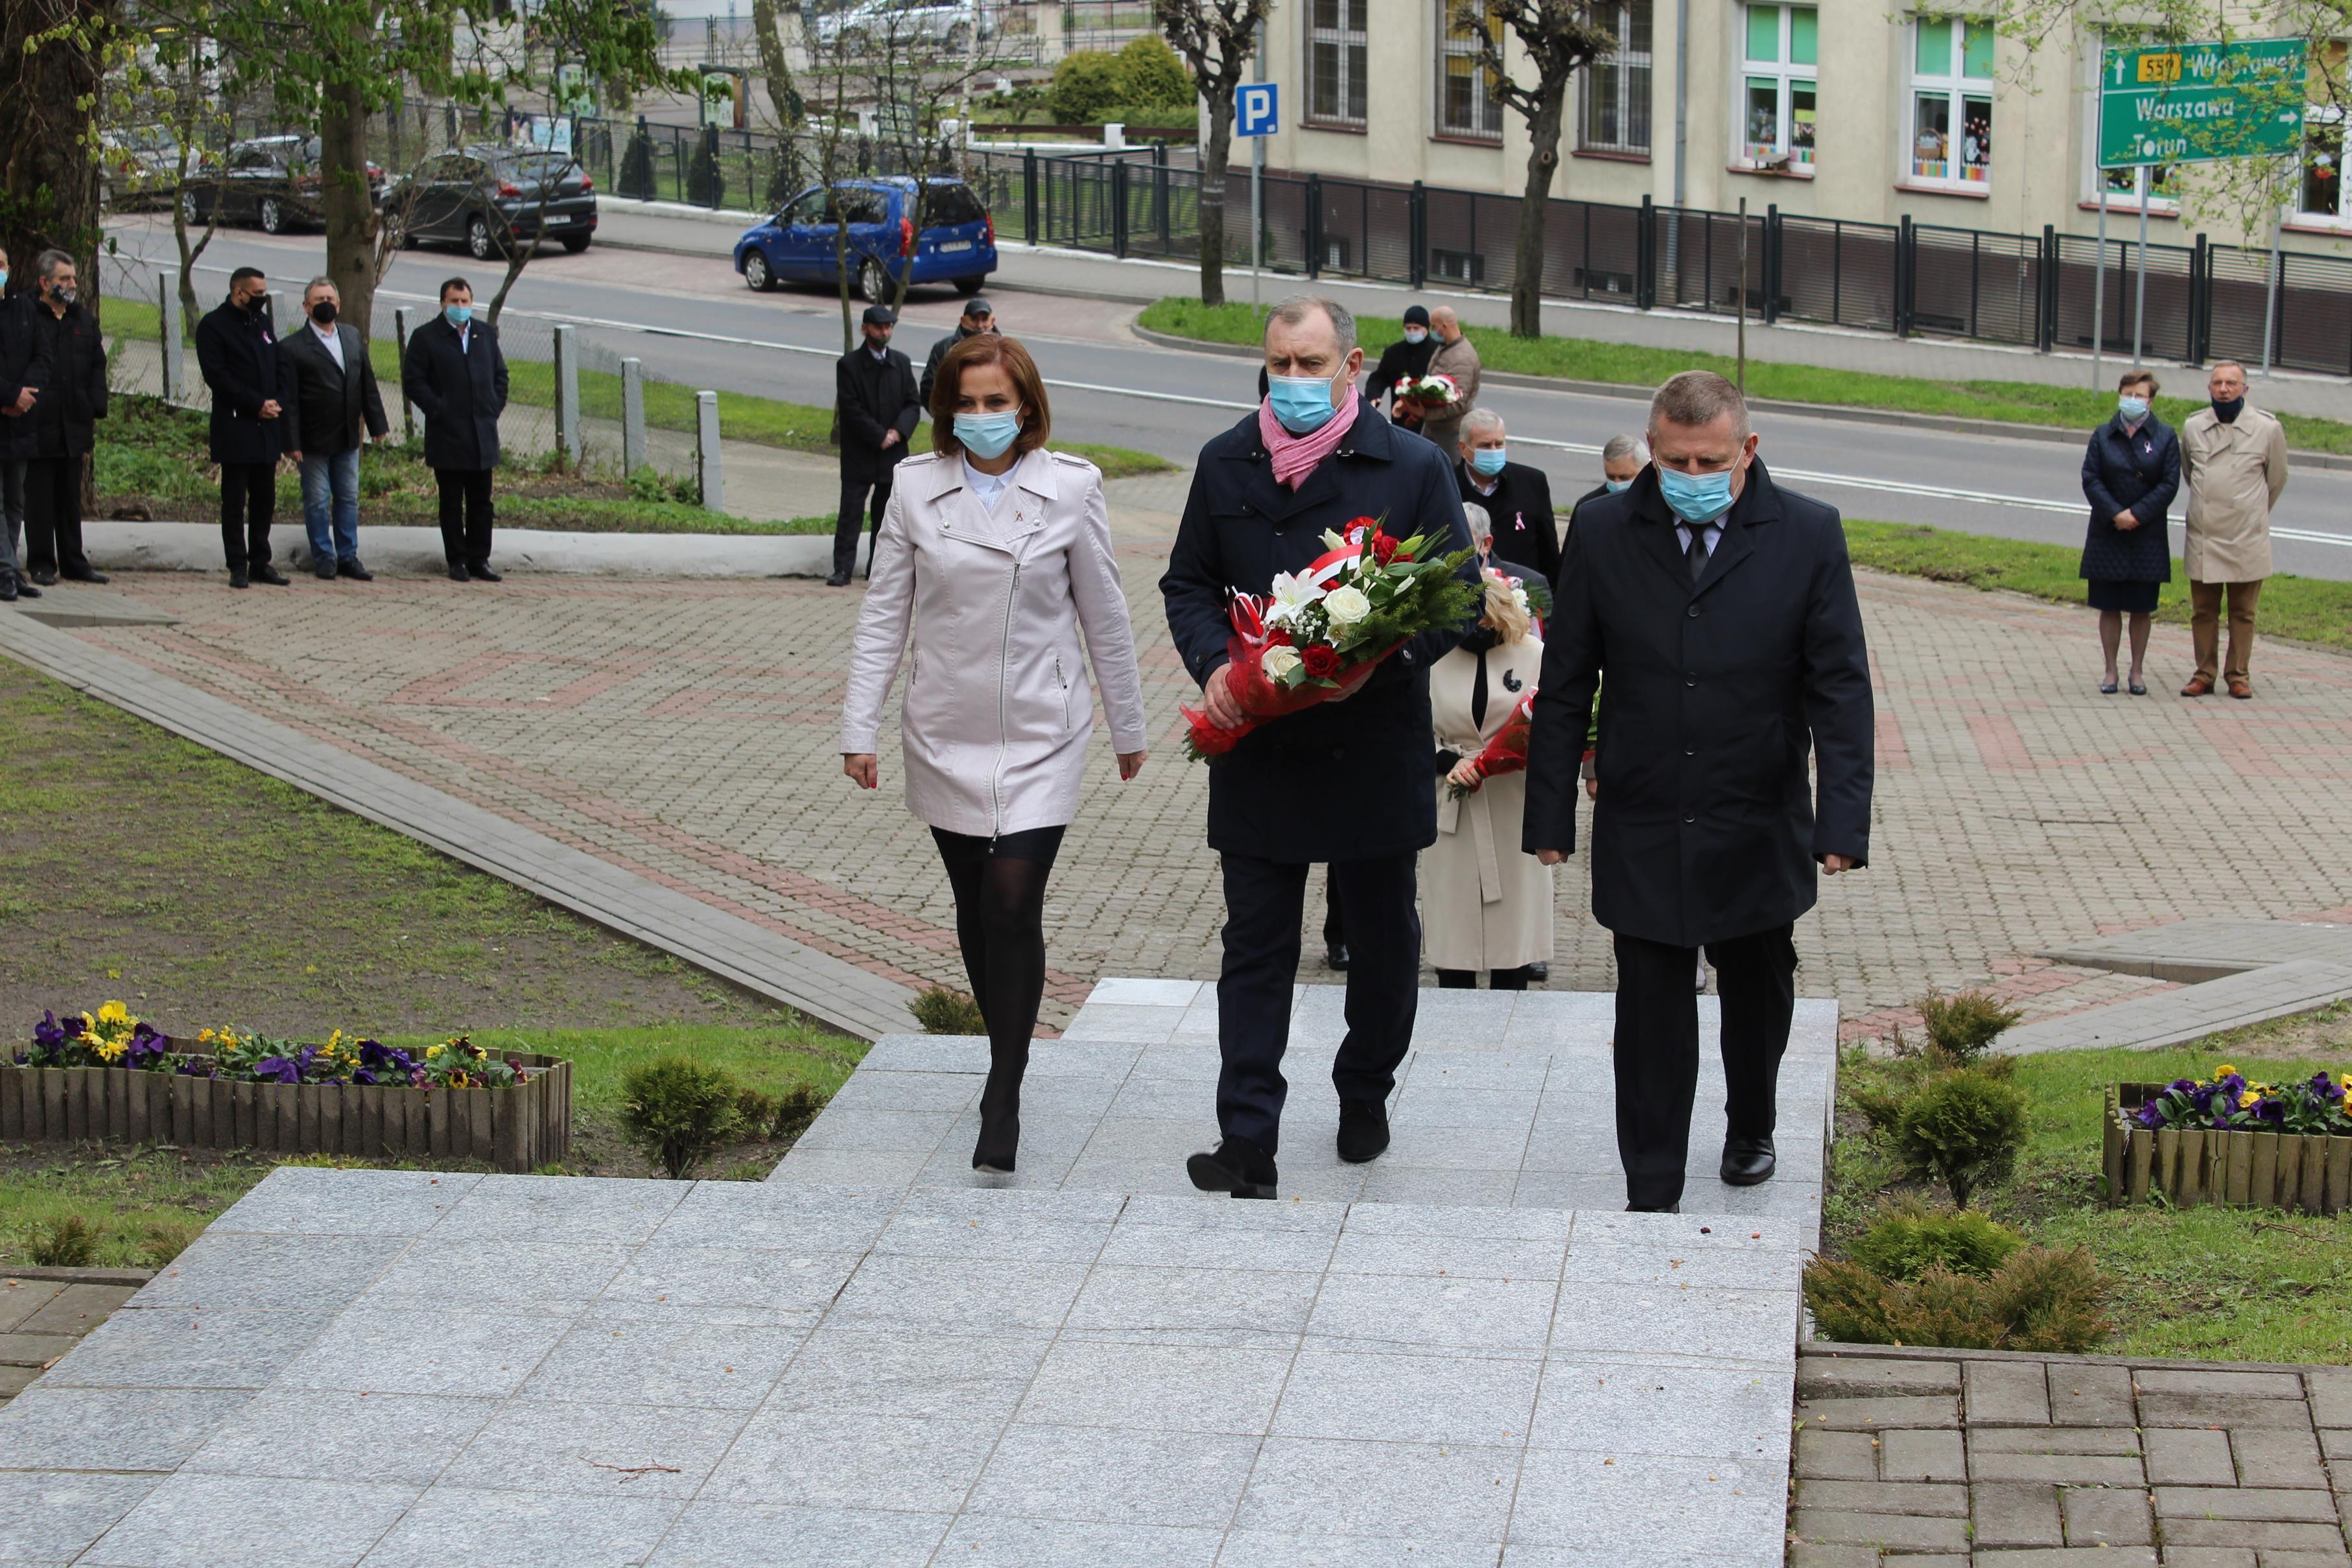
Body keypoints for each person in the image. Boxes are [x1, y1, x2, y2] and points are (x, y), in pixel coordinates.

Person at [1522, 370, 1872, 1214]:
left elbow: (1840, 685)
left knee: (1757, 984)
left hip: (1757, 806)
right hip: (1644, 806)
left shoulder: (1808, 533)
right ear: (1652, 450)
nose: (1689, 475)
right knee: (1649, 999)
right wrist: (1549, 813)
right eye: (1673, 460)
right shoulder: (1605, 529)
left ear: (1746, 450)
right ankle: (1652, 1171)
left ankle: (1751, 1121)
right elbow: (1567, 677)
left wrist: (1843, 818)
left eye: (1708, 460)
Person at [1161, 293, 1477, 1200]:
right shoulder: (1228, 461)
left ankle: (1364, 1089)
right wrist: (1214, 665)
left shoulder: (1412, 463)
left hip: (1372, 744)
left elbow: (1456, 596)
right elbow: (1188, 582)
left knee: (1382, 942)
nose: (1293, 381)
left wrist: (1375, 661)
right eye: (1280, 365)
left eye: (1310, 364)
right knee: (1254, 943)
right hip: (1262, 746)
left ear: (1353, 362)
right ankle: (1245, 1135)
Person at [841, 333, 1147, 1175]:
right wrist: (857, 727)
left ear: (1027, 407)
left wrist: (1129, 725)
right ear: (945, 410)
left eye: (997, 402)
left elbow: (1105, 616)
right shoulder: (912, 489)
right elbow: (884, 617)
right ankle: (1001, 1045)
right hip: (945, 729)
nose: (982, 418)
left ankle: (1004, 1087)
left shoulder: (1073, 488)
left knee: (1013, 899)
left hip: (1044, 730)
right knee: (976, 908)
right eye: (966, 403)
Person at [1428, 544, 1553, 991]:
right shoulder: (1435, 654)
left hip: (1512, 803)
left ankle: (1513, 993)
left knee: (1512, 927)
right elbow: (1410, 731)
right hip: (1452, 804)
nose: (1476, 630)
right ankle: (1453, 994)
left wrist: (1498, 760)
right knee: (1454, 921)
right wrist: (1450, 762)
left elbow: (1554, 725)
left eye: (1484, 621)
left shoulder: (1533, 653)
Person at [2178, 360, 2287, 700]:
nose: (2224, 389)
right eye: (2218, 383)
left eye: (2232, 383)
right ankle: (2203, 674)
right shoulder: (2194, 426)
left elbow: (2277, 480)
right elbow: (2189, 472)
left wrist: (2251, 513)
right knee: (2203, 612)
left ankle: (2238, 676)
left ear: (2245, 389)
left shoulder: (2268, 428)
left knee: (2243, 612)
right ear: (2209, 388)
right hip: (2205, 536)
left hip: (2246, 537)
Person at [280, 276, 390, 582]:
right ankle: (324, 556)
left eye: (330, 299)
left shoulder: (352, 337)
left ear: (339, 304)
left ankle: (348, 555)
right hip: (313, 439)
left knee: (348, 497)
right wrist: (291, 441)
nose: (326, 304)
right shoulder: (292, 348)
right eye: (319, 300)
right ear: (306, 307)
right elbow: (289, 400)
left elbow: (365, 382)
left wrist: (377, 424)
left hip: (348, 435)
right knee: (317, 499)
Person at [403, 277, 509, 582]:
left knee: (481, 501)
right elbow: (414, 381)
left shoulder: (485, 334)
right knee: (451, 502)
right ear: (443, 303)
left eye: (465, 302)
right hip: (448, 436)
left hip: (481, 435)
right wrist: (439, 409)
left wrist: (493, 406)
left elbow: (501, 376)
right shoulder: (426, 337)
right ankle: (457, 559)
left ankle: (480, 558)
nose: (460, 307)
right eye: (454, 301)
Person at [2078, 371, 2178, 696]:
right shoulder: (2103, 435)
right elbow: (2091, 478)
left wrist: (2137, 514)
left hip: (2146, 535)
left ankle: (2137, 670)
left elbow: (2169, 484)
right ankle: (2110, 670)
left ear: (2150, 400)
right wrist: (2116, 513)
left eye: (2139, 395)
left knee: (2141, 606)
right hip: (2109, 532)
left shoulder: (2165, 436)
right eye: (2127, 394)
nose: (2132, 401)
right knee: (2109, 605)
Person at [195, 267, 290, 589]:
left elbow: (277, 363)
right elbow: (217, 376)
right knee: (235, 501)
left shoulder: (261, 323)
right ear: (239, 293)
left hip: (267, 427)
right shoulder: (214, 326)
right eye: (258, 294)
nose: (262, 299)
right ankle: (237, 563)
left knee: (265, 499)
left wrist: (277, 400)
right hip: (237, 425)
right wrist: (255, 404)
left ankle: (260, 561)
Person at [23, 251, 107, 587]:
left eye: (73, 278)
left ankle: (74, 560)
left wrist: (94, 405)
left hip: (74, 421)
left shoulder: (82, 319)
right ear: (45, 283)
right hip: (37, 421)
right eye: (64, 279)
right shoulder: (27, 315)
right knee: (40, 497)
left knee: (69, 498)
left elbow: (97, 364)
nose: (72, 284)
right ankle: (42, 563)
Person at [831, 303, 921, 587]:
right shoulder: (849, 366)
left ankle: (877, 568)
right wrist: (878, 435)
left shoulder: (902, 363)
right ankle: (842, 569)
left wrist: (897, 432)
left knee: (885, 517)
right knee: (851, 512)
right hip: (860, 453)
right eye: (880, 327)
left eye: (889, 327)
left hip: (892, 453)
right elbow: (851, 408)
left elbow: (912, 404)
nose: (886, 332)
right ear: (865, 329)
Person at [1455, 408, 1559, 585]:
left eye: (1499, 444)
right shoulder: (1449, 485)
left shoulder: (1532, 483)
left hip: (1525, 593)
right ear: (1463, 448)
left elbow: (1549, 551)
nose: (1494, 450)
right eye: (1486, 446)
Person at [0, 246, 49, 603]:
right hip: (5, 408)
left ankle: (10, 569)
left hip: (20, 422)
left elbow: (42, 355)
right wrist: (8, 395)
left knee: (15, 499)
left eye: (1, 264)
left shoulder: (24, 308)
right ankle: (5, 571)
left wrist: (24, 396)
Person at [1418, 305, 1481, 454]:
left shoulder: (1462, 358)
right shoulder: (1446, 347)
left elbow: (1458, 403)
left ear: (1444, 326)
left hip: (1450, 434)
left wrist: (1425, 413)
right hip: (1435, 429)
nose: (1432, 331)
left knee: (1449, 474)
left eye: (1434, 327)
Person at [1564, 434, 1649, 543]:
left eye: (1625, 477)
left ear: (1645, 467)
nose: (1617, 483)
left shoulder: (1657, 503)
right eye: (1611, 477)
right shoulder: (1587, 508)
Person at [1363, 304, 1438, 427]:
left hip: (1428, 423)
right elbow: (1379, 378)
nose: (1412, 332)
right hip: (1400, 421)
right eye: (1408, 328)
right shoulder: (1394, 352)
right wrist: (1374, 396)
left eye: (1416, 328)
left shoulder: (1437, 352)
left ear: (1427, 328)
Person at [919, 295, 994, 410]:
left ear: (992, 321)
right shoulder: (944, 349)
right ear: (963, 321)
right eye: (974, 319)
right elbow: (928, 390)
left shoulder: (1003, 350)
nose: (980, 325)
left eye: (984, 319)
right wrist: (946, 419)